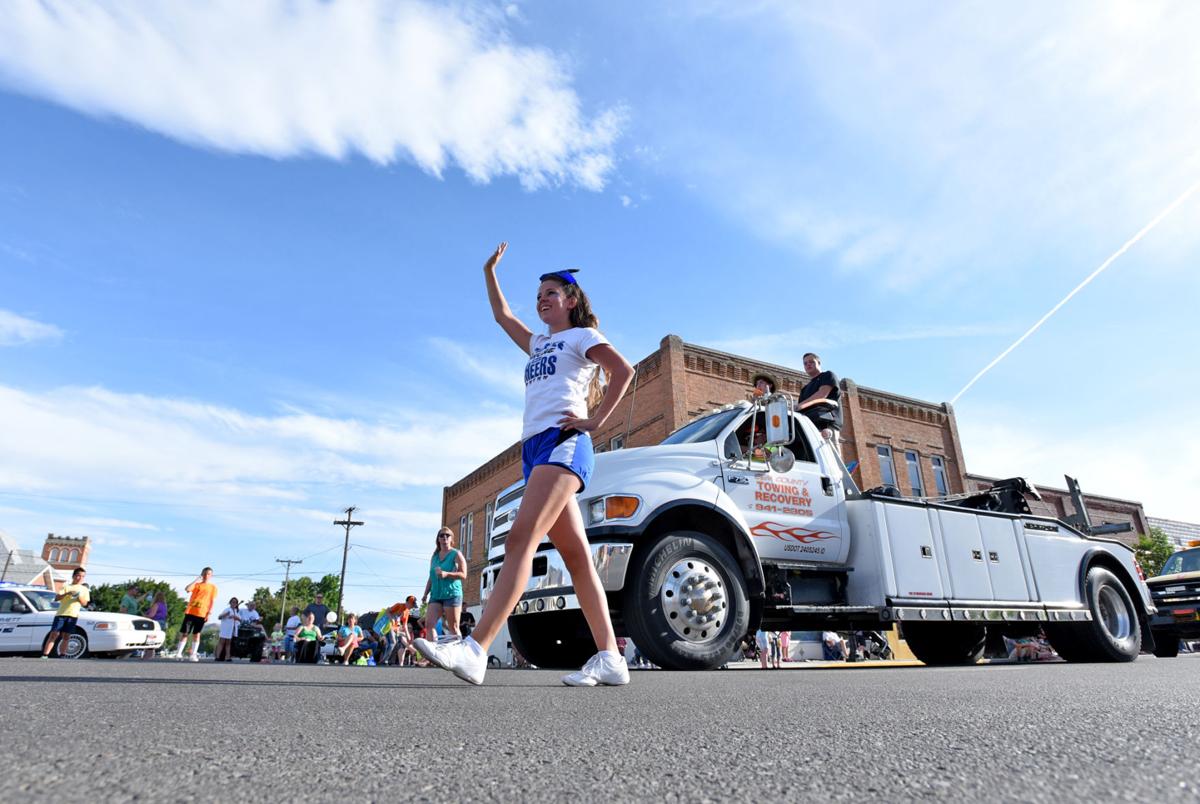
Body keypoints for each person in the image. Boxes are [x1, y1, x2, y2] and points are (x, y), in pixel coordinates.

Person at [415, 243, 635, 686]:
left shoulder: (582, 337)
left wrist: (594, 421)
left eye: (550, 292)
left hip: (564, 443)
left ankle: (475, 648)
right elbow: (502, 316)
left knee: (520, 540)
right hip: (534, 450)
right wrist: (488, 272)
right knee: (576, 559)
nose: (541, 300)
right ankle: (611, 658)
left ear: (571, 300)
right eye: (538, 295)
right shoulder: (538, 344)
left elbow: (623, 371)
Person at [421, 527, 468, 644]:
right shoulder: (435, 556)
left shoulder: (456, 554)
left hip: (451, 594)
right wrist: (425, 594)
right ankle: (433, 654)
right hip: (436, 595)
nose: (445, 537)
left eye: (447, 535)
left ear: (451, 538)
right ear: (438, 539)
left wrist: (447, 574)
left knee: (453, 627)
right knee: (429, 624)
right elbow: (431, 576)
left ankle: (457, 656)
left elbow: (463, 574)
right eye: (442, 535)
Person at [41, 567, 90, 659]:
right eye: (78, 575)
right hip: (61, 613)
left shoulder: (84, 589)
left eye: (82, 576)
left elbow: (85, 603)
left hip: (73, 615)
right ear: (74, 576)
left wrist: (79, 597)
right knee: (54, 634)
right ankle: (45, 654)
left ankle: (62, 654)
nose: (80, 578)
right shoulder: (66, 586)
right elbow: (57, 598)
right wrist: (67, 594)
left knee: (66, 636)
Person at [171, 567, 217, 662]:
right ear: (201, 574)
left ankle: (193, 654)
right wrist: (196, 579)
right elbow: (187, 589)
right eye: (204, 574)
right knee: (185, 633)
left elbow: (212, 601)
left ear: (211, 575)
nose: (206, 576)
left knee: (197, 634)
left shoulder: (213, 588)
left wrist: (208, 613)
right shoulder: (196, 585)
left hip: (202, 613)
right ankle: (179, 653)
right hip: (191, 612)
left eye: (208, 574)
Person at [796, 353, 841, 449]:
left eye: (811, 362)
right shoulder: (805, 389)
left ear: (819, 363)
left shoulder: (828, 375)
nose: (808, 364)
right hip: (810, 428)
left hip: (827, 426)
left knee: (830, 460)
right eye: (805, 363)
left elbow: (822, 394)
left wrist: (798, 406)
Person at [142, 591, 169, 659]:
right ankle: (150, 655)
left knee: (150, 639)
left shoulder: (156, 604)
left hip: (156, 623)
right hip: (162, 623)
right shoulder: (164, 606)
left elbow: (151, 615)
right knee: (154, 639)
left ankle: (148, 655)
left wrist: (144, 616)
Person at [216, 597, 240, 662]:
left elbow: (240, 619)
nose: (234, 603)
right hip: (225, 629)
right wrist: (225, 614)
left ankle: (228, 657)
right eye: (233, 602)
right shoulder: (227, 610)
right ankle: (217, 656)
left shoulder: (236, 611)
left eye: (235, 602)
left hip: (231, 629)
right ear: (230, 603)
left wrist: (235, 617)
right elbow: (219, 617)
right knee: (221, 642)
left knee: (228, 643)